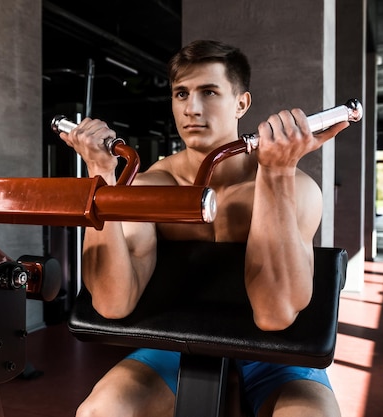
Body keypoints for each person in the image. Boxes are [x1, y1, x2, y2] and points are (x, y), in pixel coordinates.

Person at [58, 39, 348, 417]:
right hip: (175, 350)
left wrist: (276, 173)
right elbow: (113, 303)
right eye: (182, 93)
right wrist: (102, 175)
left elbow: (274, 315)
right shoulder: (150, 188)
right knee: (99, 412)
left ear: (241, 103)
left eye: (209, 92)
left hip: (278, 357)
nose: (192, 109)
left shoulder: (297, 190)